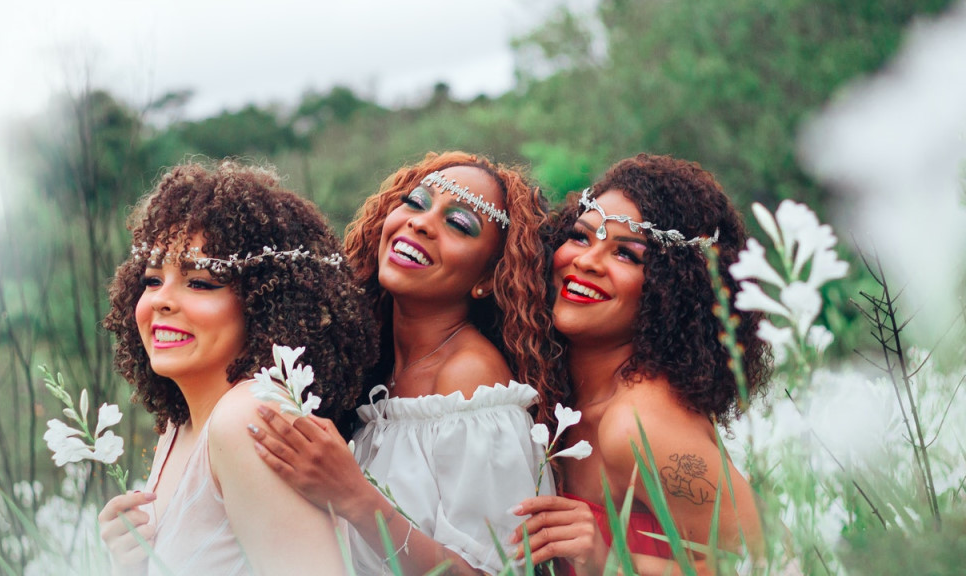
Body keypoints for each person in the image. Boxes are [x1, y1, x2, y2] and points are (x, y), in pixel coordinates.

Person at [247, 151, 565, 575]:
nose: (420, 222)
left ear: (488, 279)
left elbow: (495, 572)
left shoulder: (471, 383)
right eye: (416, 202)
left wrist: (356, 499)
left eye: (458, 224)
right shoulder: (366, 360)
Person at [97, 161, 378, 575]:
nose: (161, 300)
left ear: (263, 305)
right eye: (153, 280)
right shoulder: (182, 425)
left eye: (200, 283)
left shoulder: (246, 418)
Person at [510, 154, 770, 575]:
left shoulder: (638, 424)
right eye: (581, 236)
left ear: (673, 289)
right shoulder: (547, 390)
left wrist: (608, 563)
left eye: (626, 255)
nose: (587, 261)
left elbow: (770, 564)